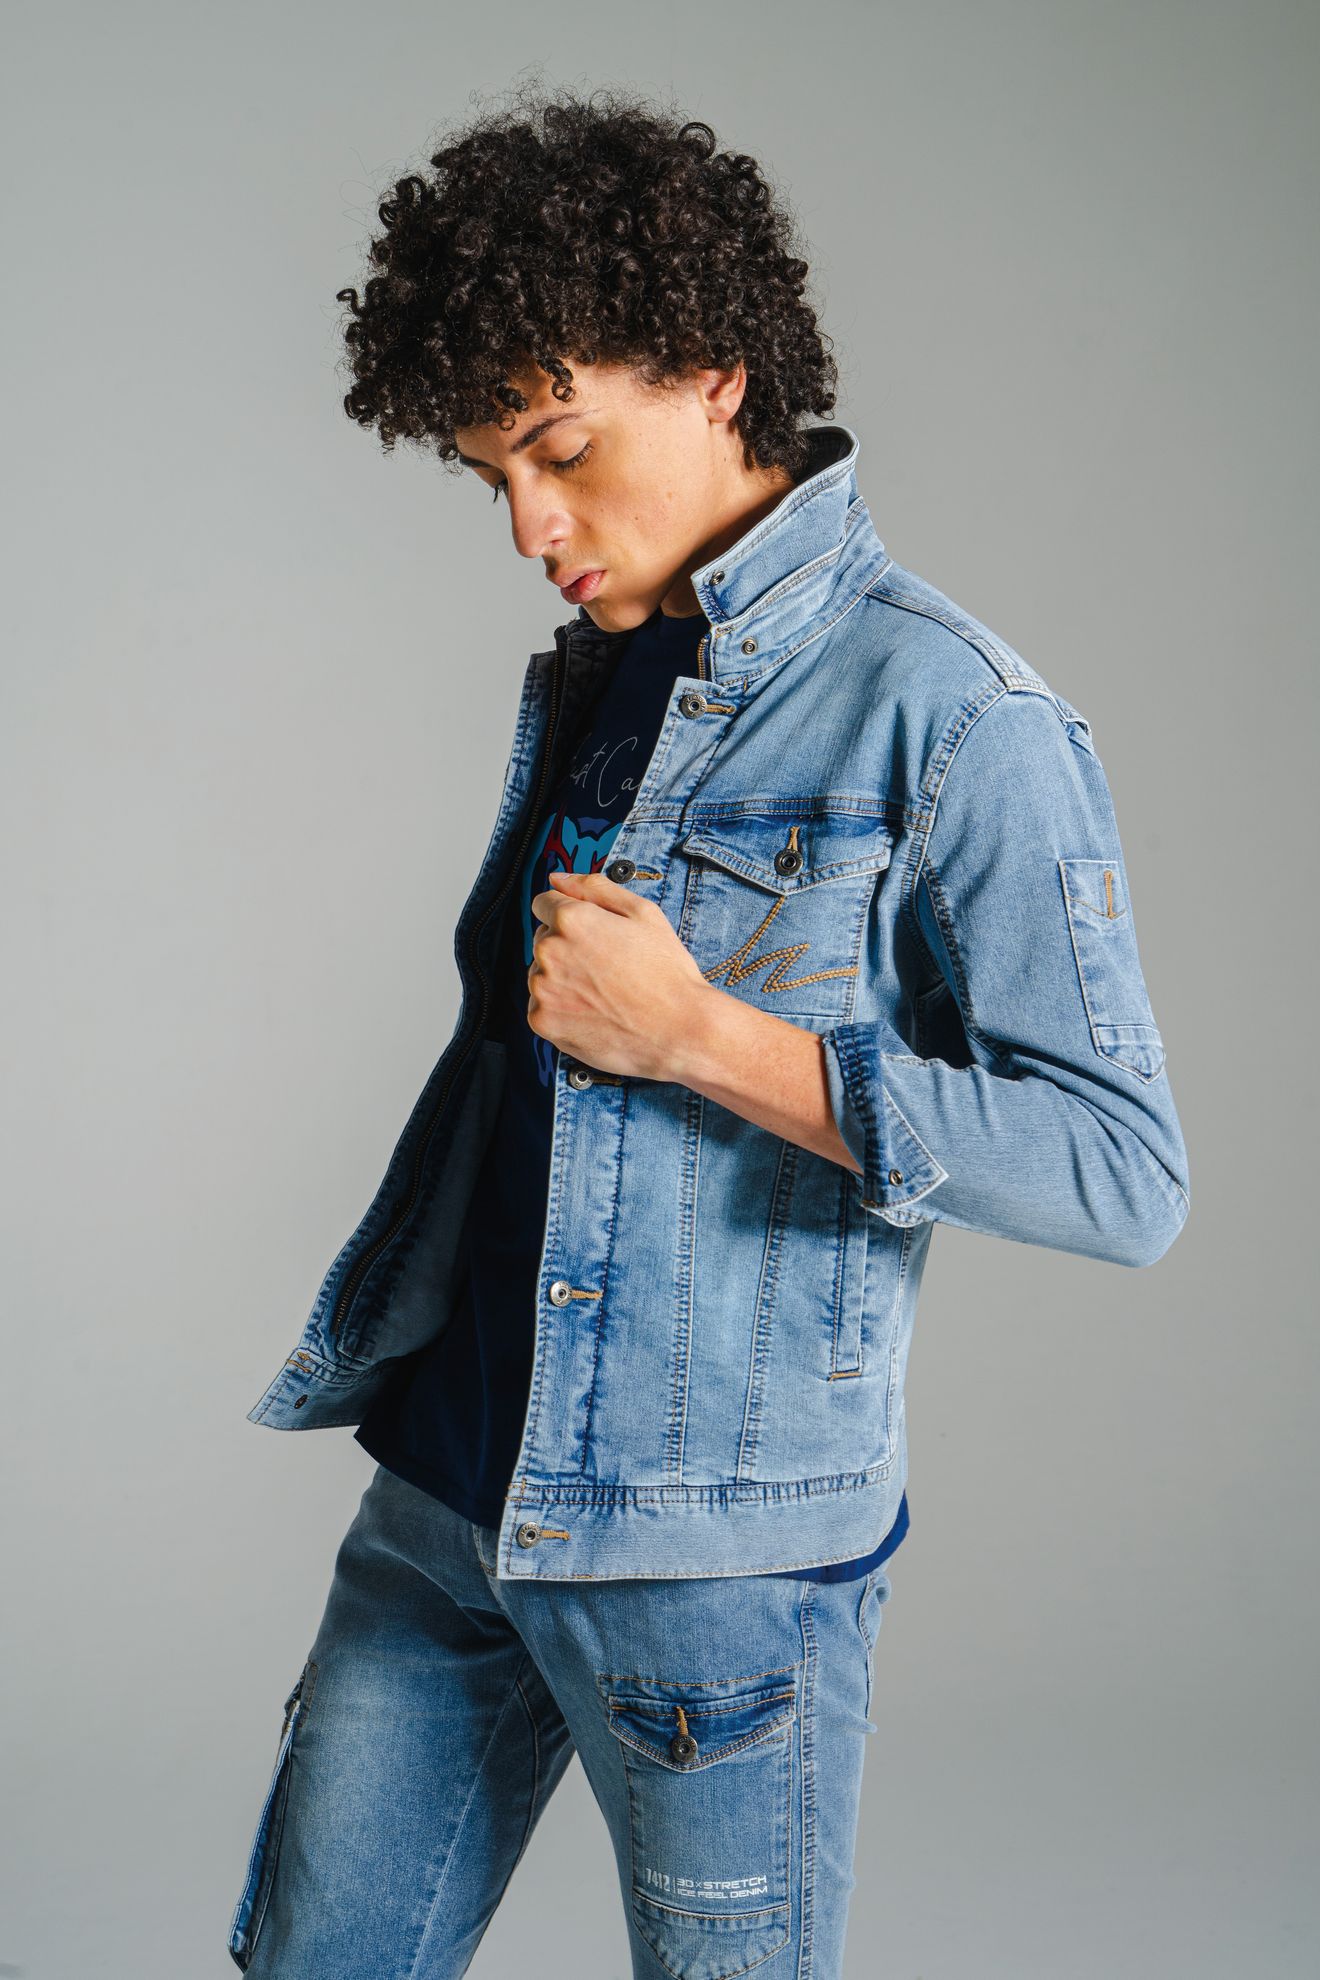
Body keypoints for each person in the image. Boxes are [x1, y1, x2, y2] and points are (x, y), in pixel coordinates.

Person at [226, 82, 1189, 1980]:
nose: (531, 525)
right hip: (448, 1502)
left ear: (715, 372)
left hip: (710, 1565)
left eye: (560, 450)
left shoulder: (956, 716)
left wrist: (703, 1040)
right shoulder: (609, 676)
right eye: (492, 476)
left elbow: (1123, 1173)